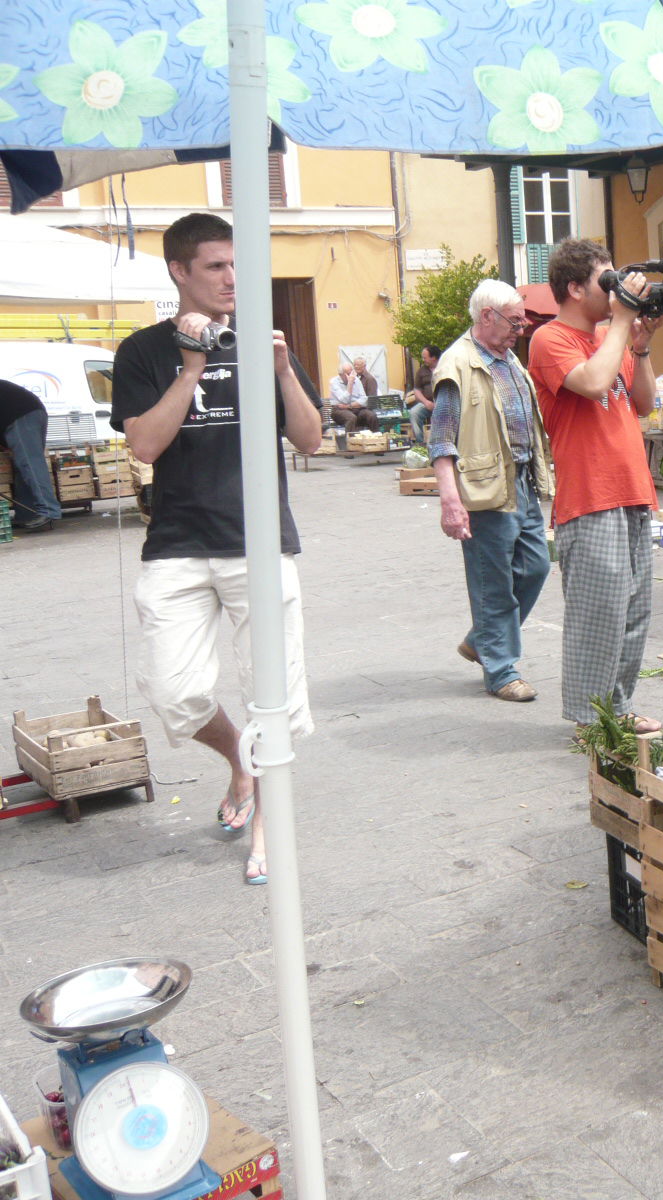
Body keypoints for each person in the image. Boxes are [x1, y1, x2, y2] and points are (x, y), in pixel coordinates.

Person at [111, 211, 322, 888]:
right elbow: (144, 445)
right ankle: (240, 760)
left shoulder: (263, 342)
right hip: (176, 543)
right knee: (175, 694)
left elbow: (312, 439)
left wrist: (284, 372)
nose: (234, 278)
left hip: (259, 541)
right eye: (216, 266)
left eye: (238, 265)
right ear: (180, 270)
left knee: (275, 696)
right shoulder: (143, 352)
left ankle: (267, 816)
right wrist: (191, 370)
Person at [528, 238, 663, 734]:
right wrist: (623, 323)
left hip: (631, 491)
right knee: (597, 615)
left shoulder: (614, 337)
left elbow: (644, 404)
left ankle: (618, 709)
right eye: (605, 278)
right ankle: (591, 720)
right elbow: (591, 383)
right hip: (589, 499)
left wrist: (641, 345)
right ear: (573, 287)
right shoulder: (550, 338)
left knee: (633, 612)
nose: (614, 288)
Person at [429, 280, 553, 703]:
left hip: (521, 483)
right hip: (484, 488)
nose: (521, 327)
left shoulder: (509, 360)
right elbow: (441, 441)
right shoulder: (457, 363)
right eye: (514, 320)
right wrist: (450, 502)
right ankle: (501, 670)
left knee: (536, 567)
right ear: (487, 316)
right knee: (492, 583)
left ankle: (483, 640)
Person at [0, 378, 61, 532]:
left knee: (30, 463)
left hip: (21, 415)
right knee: (23, 467)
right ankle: (26, 514)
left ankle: (49, 510)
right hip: (28, 413)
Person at [329, 362, 379, 433]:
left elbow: (364, 399)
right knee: (351, 418)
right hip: (339, 410)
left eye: (352, 372)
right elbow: (344, 400)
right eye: (348, 374)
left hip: (355, 408)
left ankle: (376, 439)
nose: (351, 376)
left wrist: (349, 406)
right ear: (341, 375)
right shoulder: (334, 382)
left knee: (372, 416)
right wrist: (350, 384)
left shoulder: (356, 380)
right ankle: (350, 441)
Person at [408, 344, 440, 446]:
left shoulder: (445, 367)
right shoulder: (422, 371)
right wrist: (426, 402)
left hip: (444, 402)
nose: (423, 360)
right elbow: (417, 390)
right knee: (414, 413)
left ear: (433, 358)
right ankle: (420, 442)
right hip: (427, 403)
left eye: (425, 357)